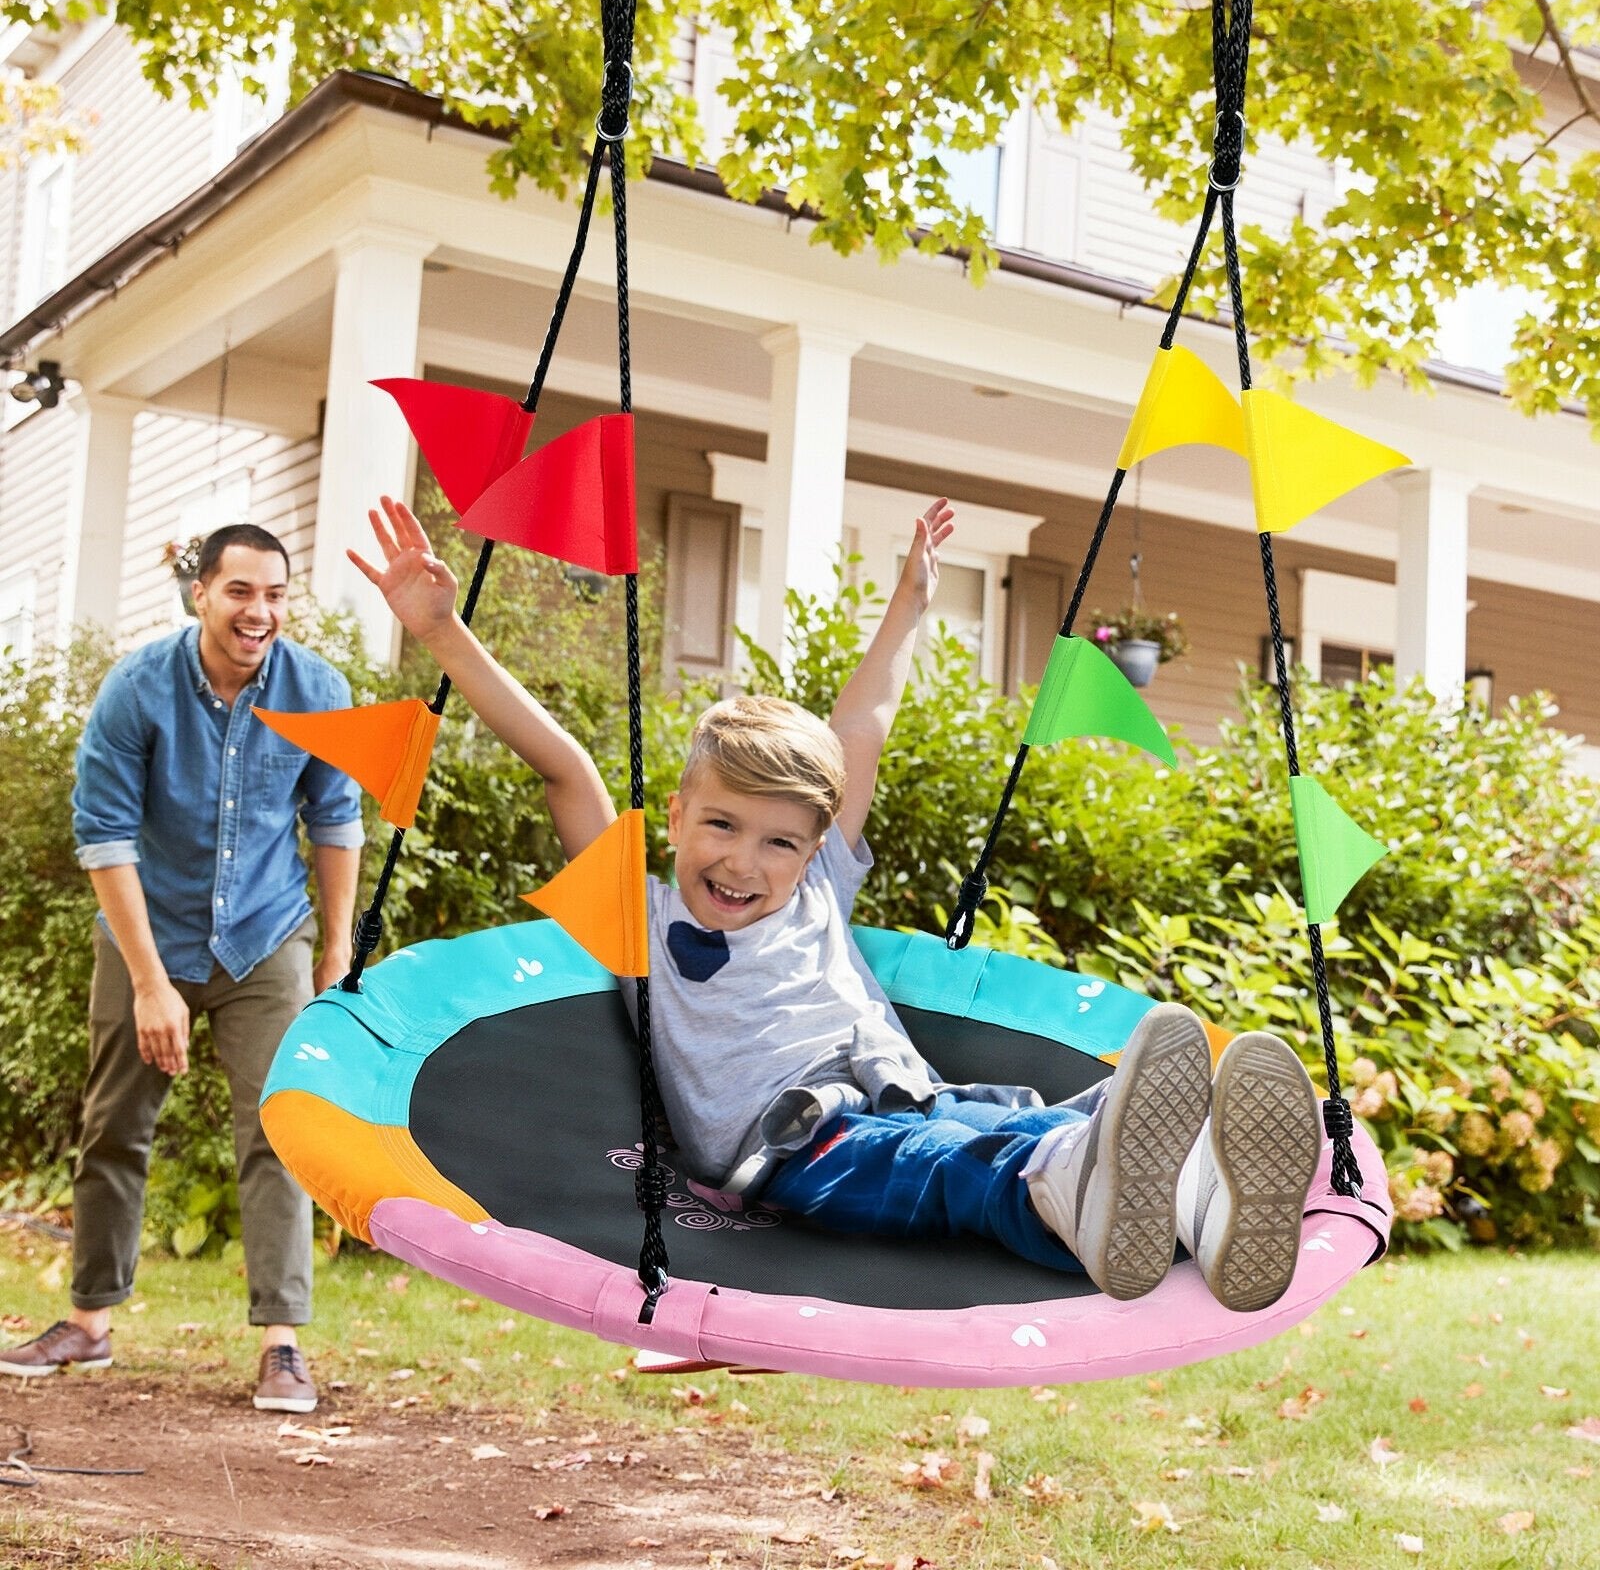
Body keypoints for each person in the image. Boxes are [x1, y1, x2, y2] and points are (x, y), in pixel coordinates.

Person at [344, 495, 1321, 1310]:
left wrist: (909, 603)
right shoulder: (635, 914)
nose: (743, 862)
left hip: (913, 1100)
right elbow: (561, 765)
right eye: (720, 826)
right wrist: (442, 631)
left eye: (778, 841)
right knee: (957, 1172)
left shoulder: (816, 886)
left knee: (1018, 1122)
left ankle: (1201, 1203)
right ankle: (1083, 1197)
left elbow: (862, 722)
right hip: (789, 1148)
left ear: (813, 848)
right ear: (674, 816)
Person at [0, 525, 365, 1409]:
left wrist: (337, 945)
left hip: (265, 936)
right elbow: (105, 837)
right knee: (115, 1124)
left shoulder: (317, 689)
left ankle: (281, 1343)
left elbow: (336, 818)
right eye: (242, 592)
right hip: (146, 932)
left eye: (275, 594)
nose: (260, 612)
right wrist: (151, 981)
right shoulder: (137, 690)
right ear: (200, 593)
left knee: (278, 1129)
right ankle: (89, 1323)